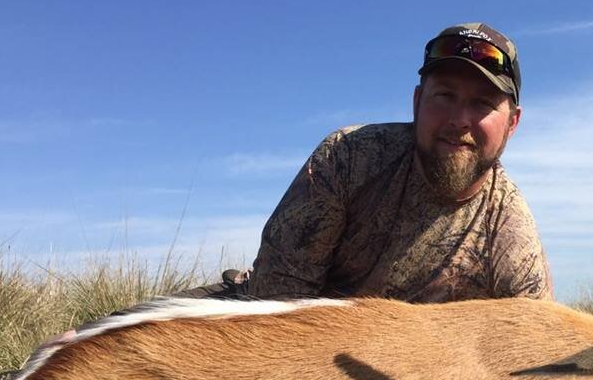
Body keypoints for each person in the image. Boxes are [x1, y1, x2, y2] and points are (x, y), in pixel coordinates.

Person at [237, 22, 553, 303]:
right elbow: (274, 299)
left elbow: (533, 350)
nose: (458, 120)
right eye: (444, 95)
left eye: (483, 103)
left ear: (513, 124)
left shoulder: (511, 235)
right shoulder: (348, 156)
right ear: (417, 102)